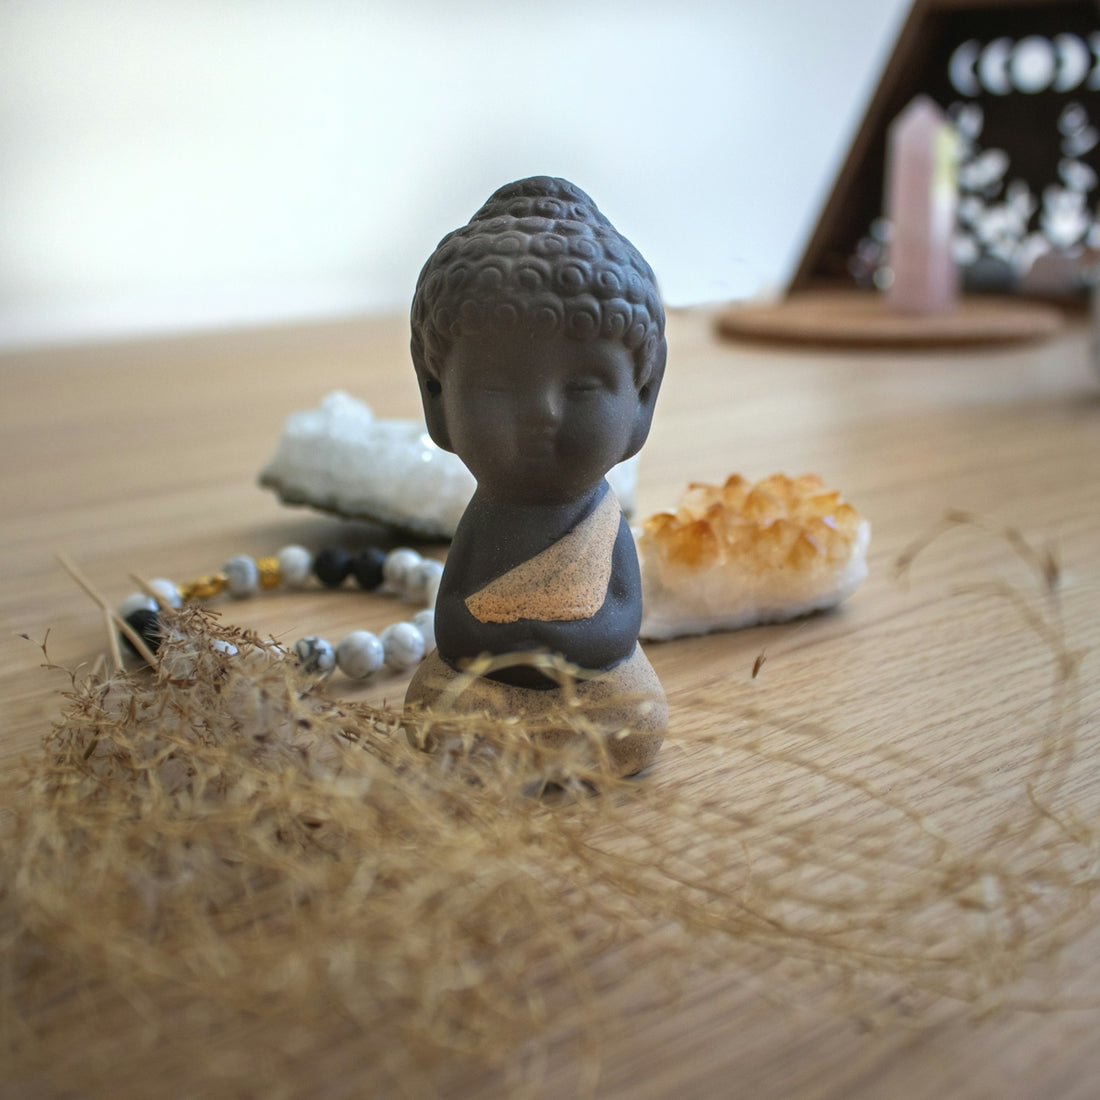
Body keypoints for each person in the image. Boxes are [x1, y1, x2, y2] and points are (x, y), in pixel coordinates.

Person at [405, 177, 668, 771]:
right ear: (436, 399)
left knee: (637, 717)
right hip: (490, 688)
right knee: (441, 708)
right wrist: (501, 637)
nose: (540, 414)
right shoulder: (488, 517)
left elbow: (621, 622)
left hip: (590, 691)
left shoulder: (600, 521)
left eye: (581, 387)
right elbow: (452, 620)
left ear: (643, 399)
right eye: (496, 387)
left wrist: (558, 641)